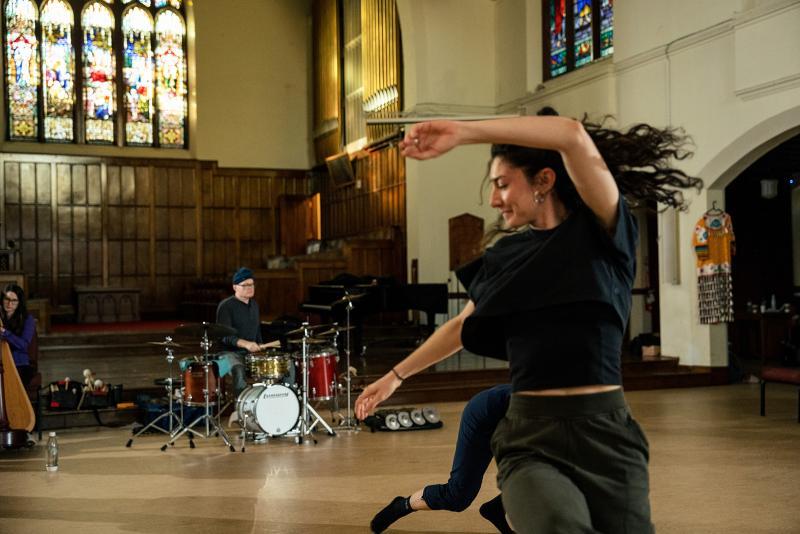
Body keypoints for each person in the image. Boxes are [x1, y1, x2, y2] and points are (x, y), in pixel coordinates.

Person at [356, 110, 702, 533]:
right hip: (531, 435)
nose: (494, 199)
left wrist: (463, 131)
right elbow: (460, 328)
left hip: (609, 433)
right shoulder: (505, 257)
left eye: (502, 183)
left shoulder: (604, 233)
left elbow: (570, 134)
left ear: (543, 181)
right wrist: (395, 376)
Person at [370, 384, 514, 534]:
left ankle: (496, 508)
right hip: (484, 414)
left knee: (536, 476)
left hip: (513, 420)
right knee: (458, 496)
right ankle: (402, 505)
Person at [216, 267, 271, 398]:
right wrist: (245, 344)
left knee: (282, 366)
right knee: (238, 369)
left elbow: (257, 331)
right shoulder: (226, 306)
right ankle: (241, 410)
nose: (249, 288)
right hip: (228, 353)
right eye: (245, 285)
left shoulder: (254, 305)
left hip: (249, 354)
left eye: (251, 284)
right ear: (235, 287)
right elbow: (224, 336)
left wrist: (262, 349)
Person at [0, 284, 37, 387]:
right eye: (7, 299)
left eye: (14, 300)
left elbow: (23, 345)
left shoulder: (27, 319)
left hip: (19, 364)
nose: (9, 303)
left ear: (19, 302)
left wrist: (5, 333)